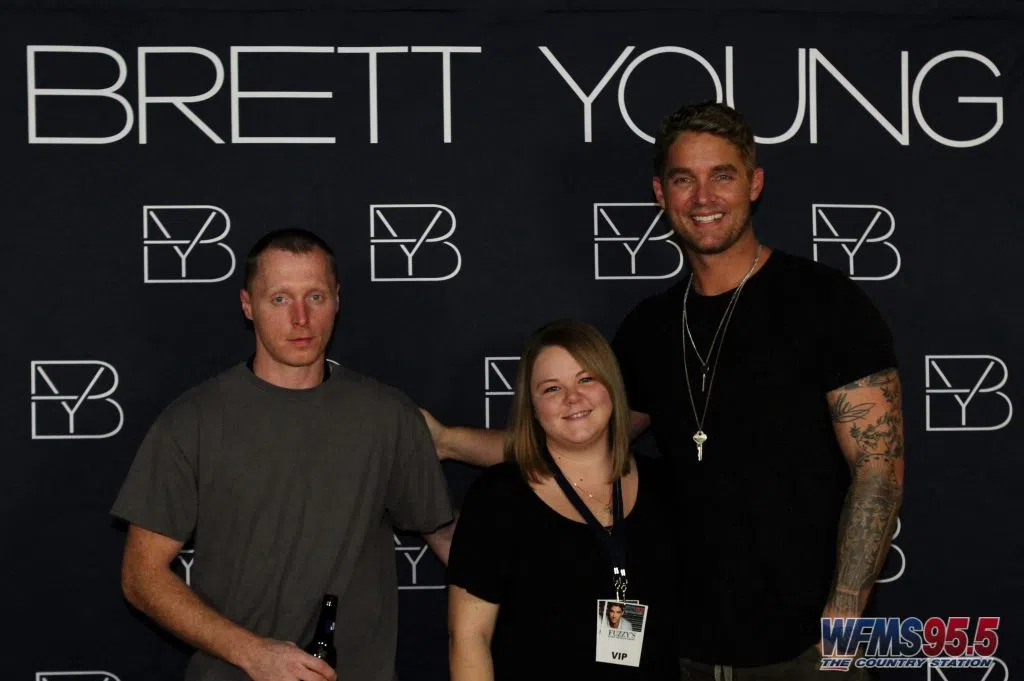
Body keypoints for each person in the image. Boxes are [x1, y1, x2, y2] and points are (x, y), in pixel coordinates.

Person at [425, 102, 904, 679]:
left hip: (808, 647)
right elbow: (578, 438)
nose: (703, 197)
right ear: (661, 193)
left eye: (721, 176)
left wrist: (844, 615)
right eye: (683, 179)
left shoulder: (825, 303)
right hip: (684, 649)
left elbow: (878, 471)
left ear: (754, 184)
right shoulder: (650, 327)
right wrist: (449, 441)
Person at [111, 228, 454, 681]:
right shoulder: (192, 422)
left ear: (337, 299)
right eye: (279, 299)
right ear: (247, 305)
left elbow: (448, 538)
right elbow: (141, 576)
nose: (300, 318)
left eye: (315, 297)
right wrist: (252, 653)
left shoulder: (387, 415)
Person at [447, 320, 679, 681]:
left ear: (613, 387)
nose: (573, 398)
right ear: (532, 407)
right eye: (552, 388)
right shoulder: (498, 497)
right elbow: (469, 638)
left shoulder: (665, 487)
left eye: (586, 379)